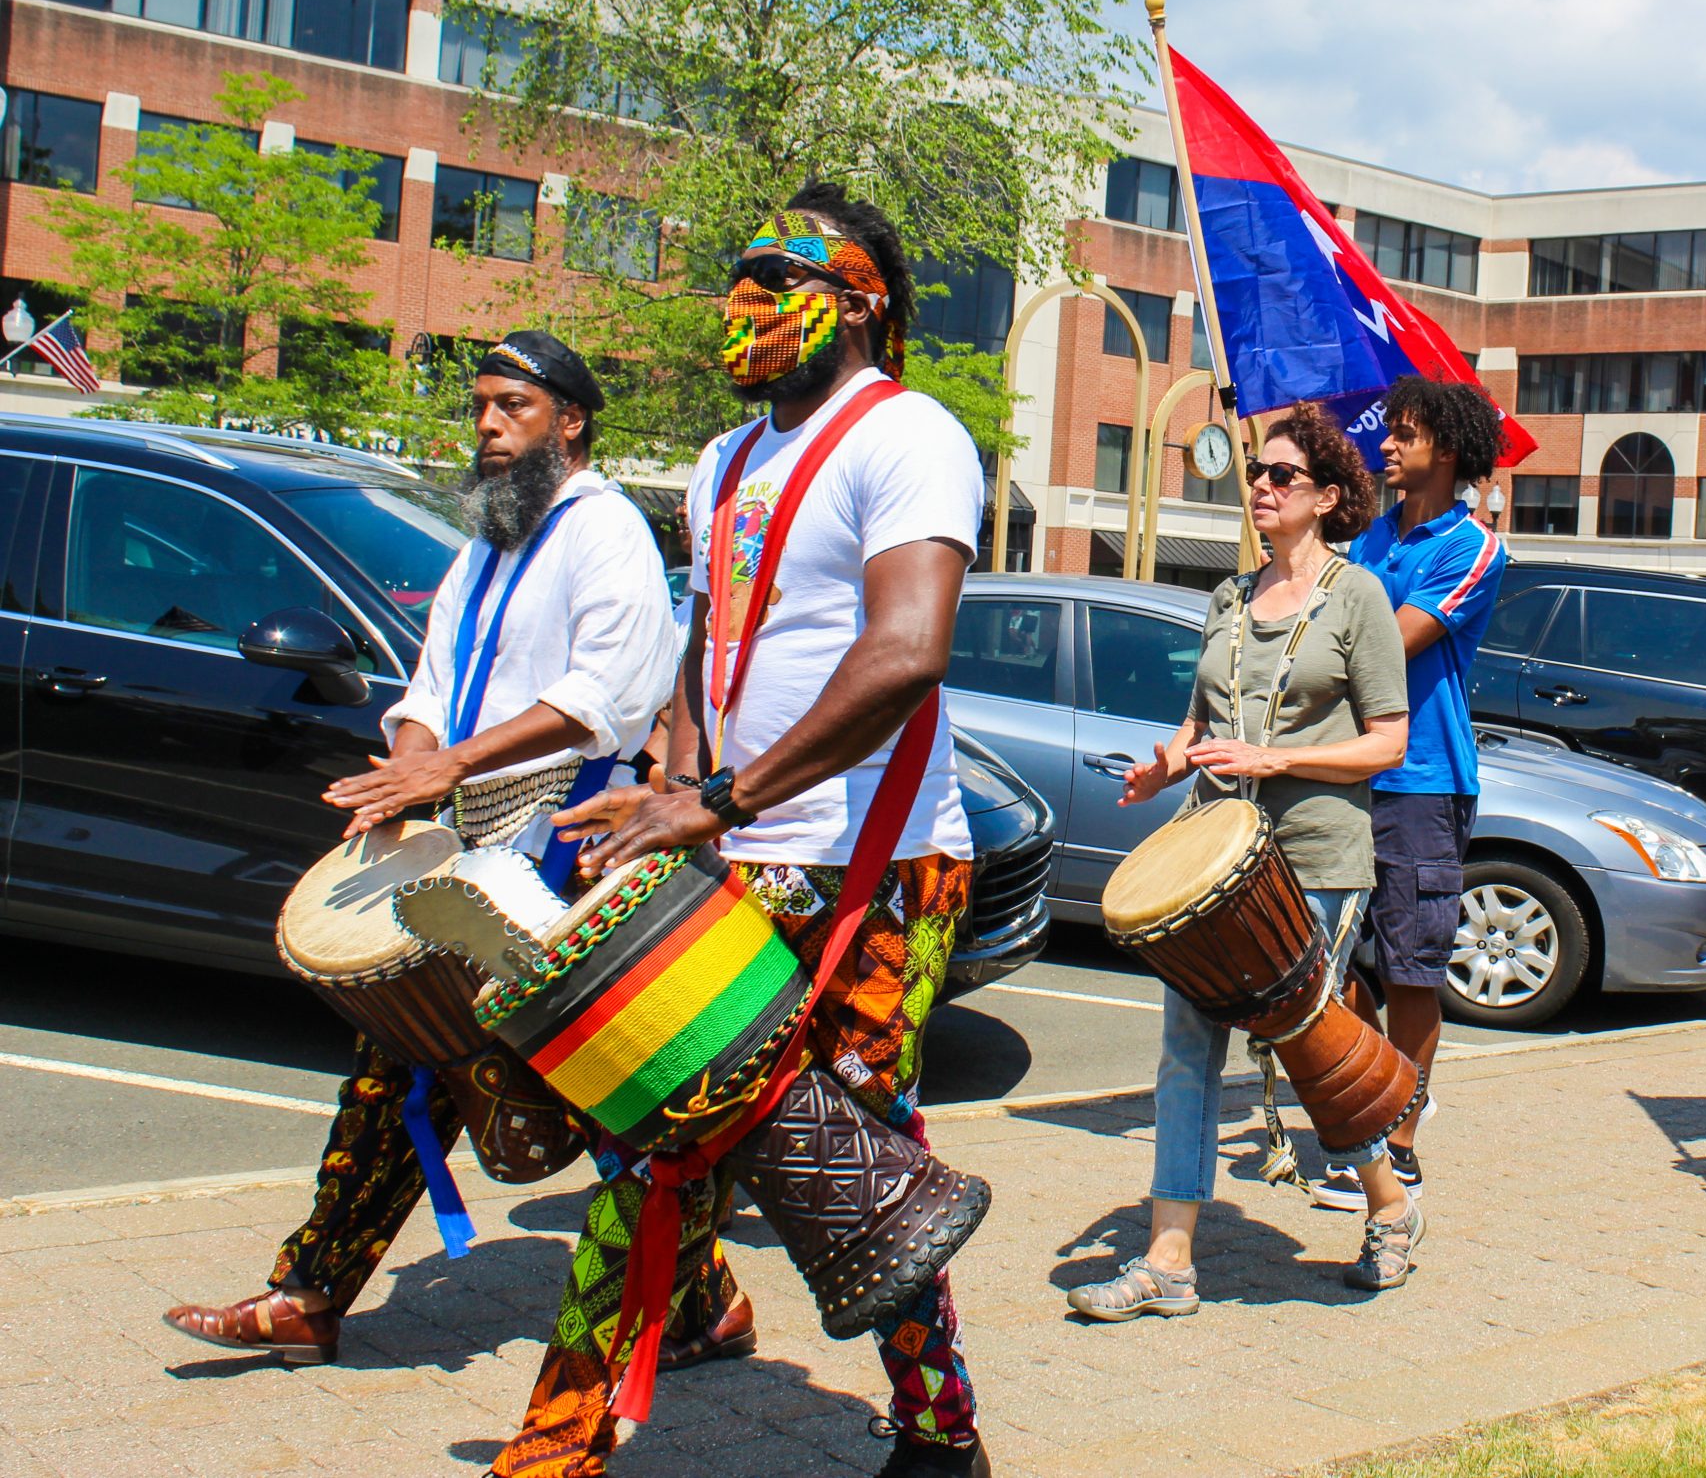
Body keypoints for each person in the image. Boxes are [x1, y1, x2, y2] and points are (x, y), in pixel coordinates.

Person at [492, 186, 992, 1478]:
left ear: (865, 303)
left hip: (880, 863)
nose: (750, 298)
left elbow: (906, 651)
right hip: (739, 848)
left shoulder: (911, 433)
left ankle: (940, 1433)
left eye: (784, 272)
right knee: (660, 1130)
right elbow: (708, 655)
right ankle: (563, 1438)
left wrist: (718, 799)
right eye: (742, 273)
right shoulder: (721, 459)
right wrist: (677, 785)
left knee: (857, 1156)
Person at [158, 334, 740, 1370]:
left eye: (511, 405)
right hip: (465, 840)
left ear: (570, 422)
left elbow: (602, 698)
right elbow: (429, 683)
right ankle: (309, 1294)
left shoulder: (605, 533)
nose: (486, 424)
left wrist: (449, 767)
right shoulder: (484, 542)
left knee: (596, 1086)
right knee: (407, 1067)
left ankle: (701, 1303)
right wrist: (408, 778)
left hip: (561, 843)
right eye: (479, 405)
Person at [1067, 403, 1419, 1317]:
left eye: (1282, 476)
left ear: (1328, 496)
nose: (1260, 487)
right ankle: (1168, 1260)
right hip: (1214, 858)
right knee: (1187, 1048)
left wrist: (1279, 759)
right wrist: (1166, 762)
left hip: (1315, 855)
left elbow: (1387, 742)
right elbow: (1203, 722)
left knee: (1309, 1044)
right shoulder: (1228, 598)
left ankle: (1387, 1202)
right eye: (1255, 474)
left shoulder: (1359, 597)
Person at [1304, 377, 1508, 1211]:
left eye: (1405, 435)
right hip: (1349, 775)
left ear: (1448, 452)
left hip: (1424, 782)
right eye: (1388, 433)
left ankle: (1403, 1144)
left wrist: (1339, 609)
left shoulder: (1473, 548)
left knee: (1412, 968)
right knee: (1343, 965)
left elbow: (1384, 641)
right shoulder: (1369, 538)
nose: (1386, 445)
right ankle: (1365, 1119)